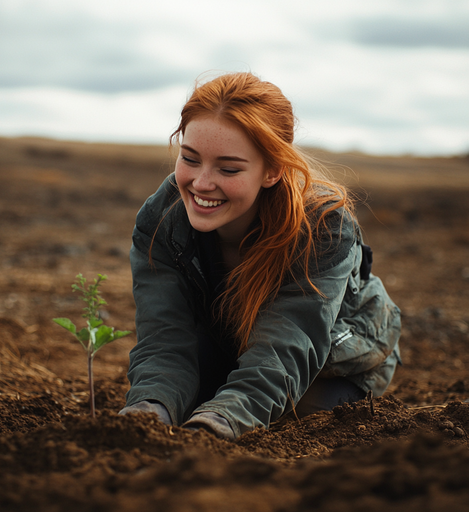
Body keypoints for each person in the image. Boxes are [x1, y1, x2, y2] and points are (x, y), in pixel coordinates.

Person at [119, 72, 401, 440]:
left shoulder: (322, 226)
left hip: (332, 360)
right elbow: (164, 338)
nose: (201, 183)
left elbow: (289, 345)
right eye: (190, 159)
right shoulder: (162, 221)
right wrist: (149, 411)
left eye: (229, 168)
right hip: (231, 344)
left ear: (272, 170)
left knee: (299, 414)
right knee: (180, 399)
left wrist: (221, 422)